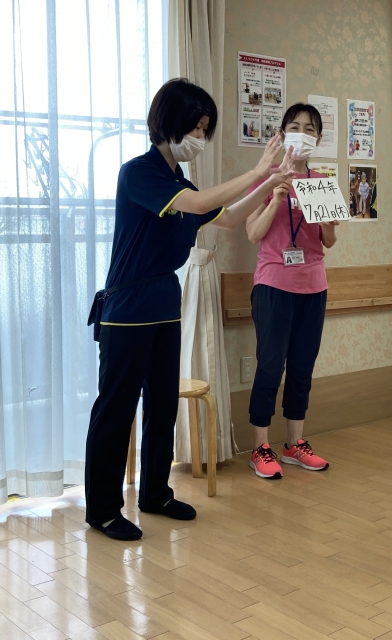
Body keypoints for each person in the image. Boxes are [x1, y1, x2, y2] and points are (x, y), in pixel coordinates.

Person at [85, 78, 295, 540]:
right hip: (127, 307)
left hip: (165, 303)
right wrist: (259, 170)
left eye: (204, 129)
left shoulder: (181, 181)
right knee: (116, 408)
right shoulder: (138, 173)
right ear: (170, 123)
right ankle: (102, 509)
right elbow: (200, 204)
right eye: (196, 127)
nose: (200, 136)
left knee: (162, 404)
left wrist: (272, 186)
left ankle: (156, 494)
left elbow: (230, 218)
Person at [245, 103, 338, 479]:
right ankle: (260, 447)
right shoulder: (266, 177)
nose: (303, 133)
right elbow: (252, 233)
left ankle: (294, 444)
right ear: (283, 134)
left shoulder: (321, 182)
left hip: (313, 285)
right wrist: (276, 199)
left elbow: (328, 241)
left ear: (318, 138)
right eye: (295, 126)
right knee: (270, 365)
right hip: (273, 284)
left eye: (310, 129)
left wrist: (329, 222)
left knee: (302, 367)